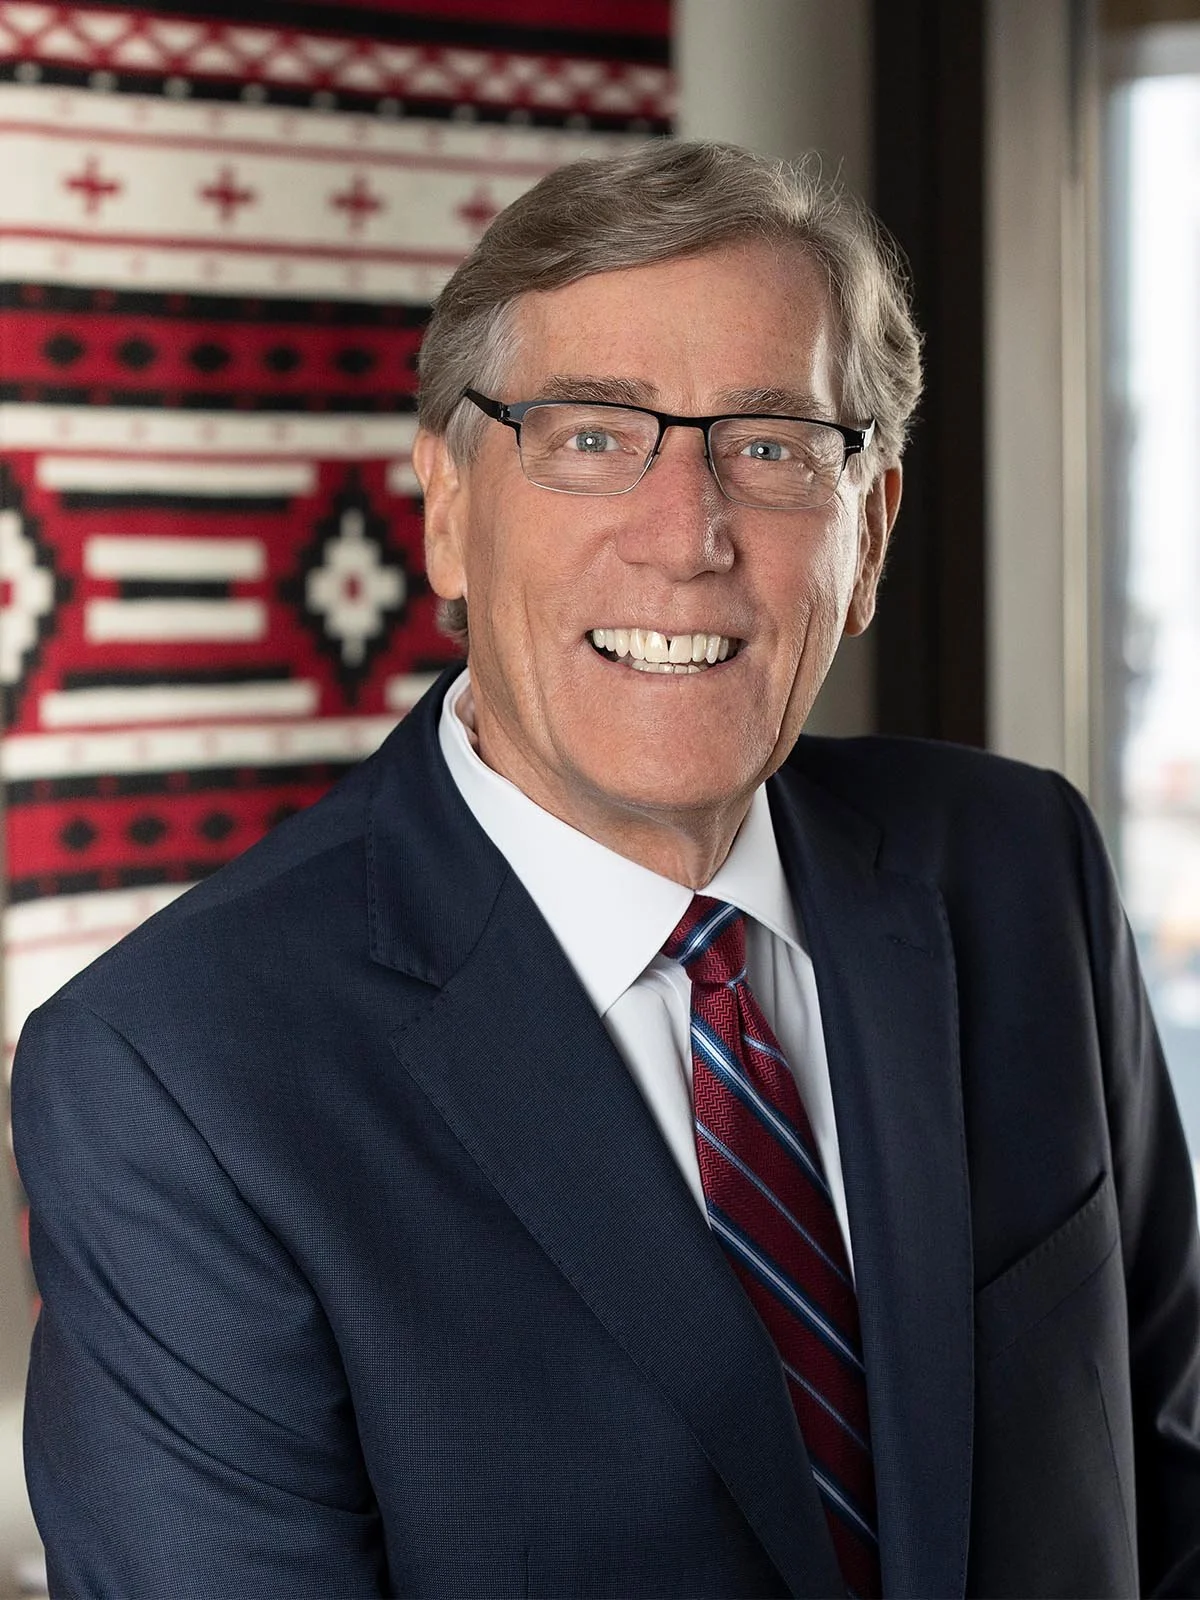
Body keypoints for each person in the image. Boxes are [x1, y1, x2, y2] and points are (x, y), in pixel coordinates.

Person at [13, 139, 1200, 1599]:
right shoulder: (175, 1078)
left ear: (870, 532)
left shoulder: (1022, 871)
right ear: (446, 507)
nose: (685, 536)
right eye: (590, 435)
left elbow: (1169, 1472)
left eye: (769, 444)